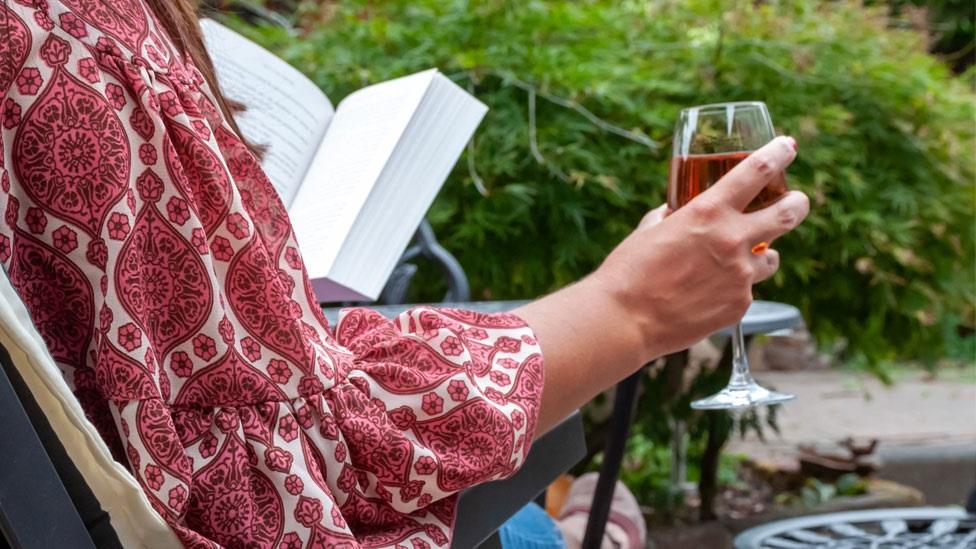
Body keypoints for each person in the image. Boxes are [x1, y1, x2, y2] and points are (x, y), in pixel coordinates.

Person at [0, 0, 809, 547]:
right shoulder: (69, 37)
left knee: (537, 506)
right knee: (548, 514)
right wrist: (631, 310)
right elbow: (283, 479)